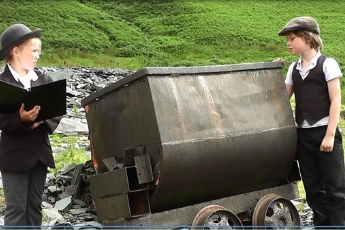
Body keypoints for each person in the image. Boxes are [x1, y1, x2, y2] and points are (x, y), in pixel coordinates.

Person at [277, 16, 345, 227]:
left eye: (292, 38)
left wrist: (330, 135)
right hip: (304, 136)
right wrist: (273, 73)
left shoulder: (328, 64)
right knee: (313, 189)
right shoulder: (292, 69)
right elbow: (282, 98)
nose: (288, 43)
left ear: (307, 38)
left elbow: (336, 101)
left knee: (335, 188)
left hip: (326, 132)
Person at [0, 23, 62, 227]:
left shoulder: (43, 79)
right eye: (33, 50)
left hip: (39, 155)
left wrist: (42, 118)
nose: (37, 55)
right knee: (16, 209)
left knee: (34, 206)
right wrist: (21, 120)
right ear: (16, 51)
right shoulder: (2, 83)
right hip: (13, 156)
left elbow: (56, 110)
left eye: (39, 51)